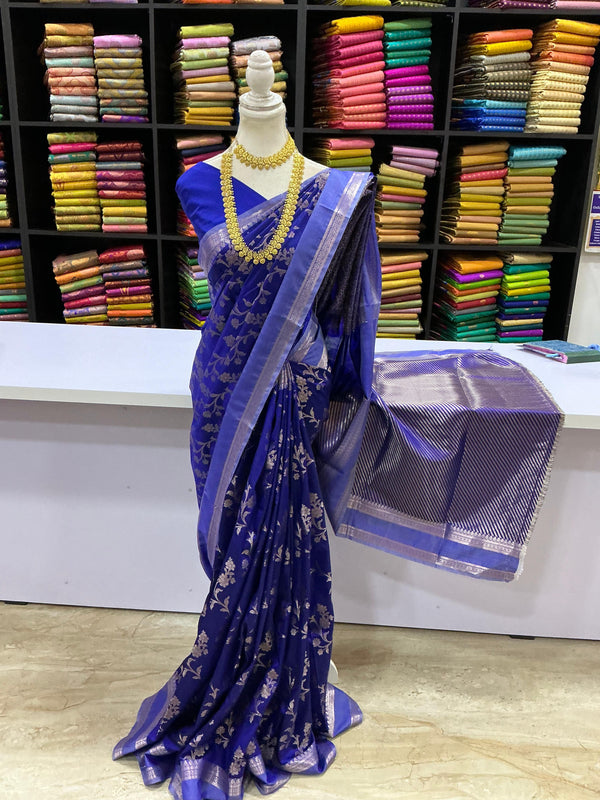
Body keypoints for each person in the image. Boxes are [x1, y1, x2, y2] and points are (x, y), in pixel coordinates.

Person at [113, 51, 562, 800]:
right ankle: (229, 669)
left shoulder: (335, 192)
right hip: (223, 386)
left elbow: (352, 308)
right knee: (229, 542)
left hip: (295, 388)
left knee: (283, 539)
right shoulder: (198, 179)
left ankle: (280, 684)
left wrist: (346, 384)